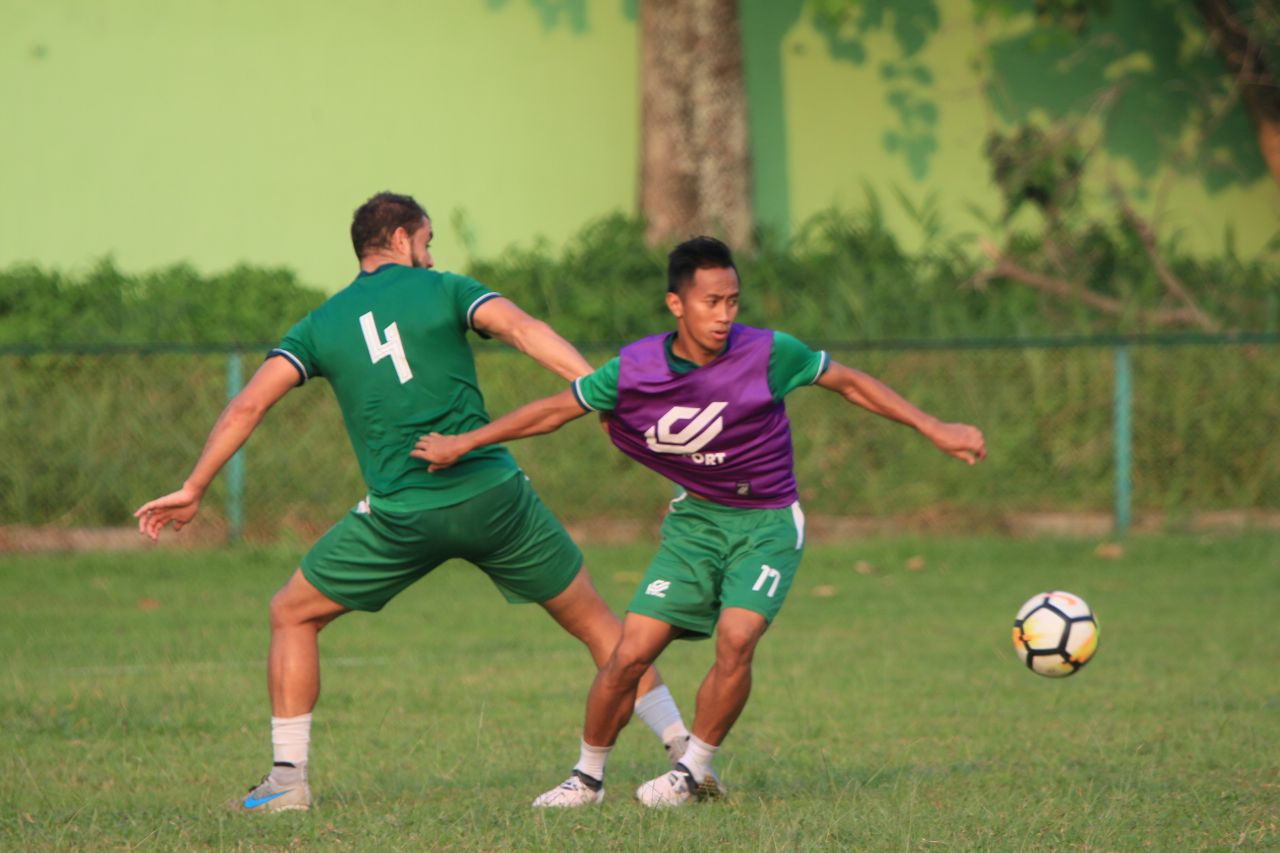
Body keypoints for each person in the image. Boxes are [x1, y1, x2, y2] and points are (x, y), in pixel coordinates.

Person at [133, 192, 703, 813]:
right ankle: (684, 755)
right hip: (496, 500)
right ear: (402, 239)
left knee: (292, 613)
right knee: (601, 628)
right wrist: (596, 393)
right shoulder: (449, 290)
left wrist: (194, 486)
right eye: (427, 243)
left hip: (404, 515)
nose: (431, 258)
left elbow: (249, 404)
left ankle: (288, 782)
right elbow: (523, 330)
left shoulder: (320, 324)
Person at [412, 235, 988, 808]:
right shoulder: (636, 368)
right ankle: (586, 779)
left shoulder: (769, 353)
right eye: (711, 301)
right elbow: (555, 410)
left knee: (737, 639)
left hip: (765, 522)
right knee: (630, 652)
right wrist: (465, 442)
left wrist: (934, 427)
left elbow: (851, 382)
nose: (724, 314)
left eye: (733, 300)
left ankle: (693, 771)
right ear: (676, 304)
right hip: (695, 523)